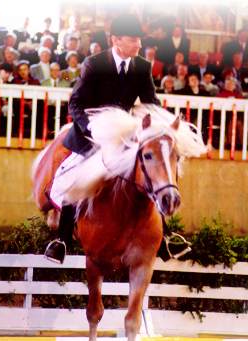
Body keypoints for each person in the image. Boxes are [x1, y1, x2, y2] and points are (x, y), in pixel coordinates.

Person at [44, 14, 161, 263]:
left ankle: (164, 238)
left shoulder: (142, 67)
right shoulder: (93, 64)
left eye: (140, 40)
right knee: (75, 177)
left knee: (154, 171)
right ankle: (61, 240)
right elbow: (75, 103)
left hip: (121, 137)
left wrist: (160, 125)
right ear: (116, 40)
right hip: (90, 135)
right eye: (134, 40)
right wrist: (90, 128)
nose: (139, 45)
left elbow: (152, 103)